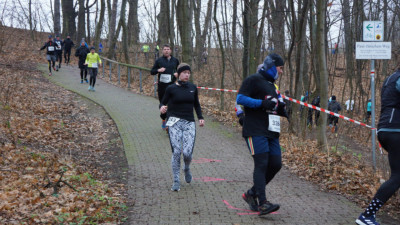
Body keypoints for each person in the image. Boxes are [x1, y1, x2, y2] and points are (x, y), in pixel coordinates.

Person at [236, 53, 287, 215]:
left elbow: (272, 104)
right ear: (272, 67)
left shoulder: (272, 85)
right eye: (280, 68)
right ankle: (263, 203)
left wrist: (281, 109)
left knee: (276, 164)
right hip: (255, 128)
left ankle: (251, 193)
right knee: (262, 163)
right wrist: (261, 103)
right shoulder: (253, 79)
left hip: (271, 130)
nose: (282, 71)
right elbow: (240, 99)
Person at [355, 69, 400, 225]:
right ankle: (367, 215)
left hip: (386, 128)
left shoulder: (390, 78)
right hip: (395, 129)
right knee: (397, 176)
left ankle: (368, 215)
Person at [159, 63, 204, 191]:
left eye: (188, 73)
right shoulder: (171, 88)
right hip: (174, 123)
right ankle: (176, 180)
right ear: (179, 74)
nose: (187, 75)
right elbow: (163, 102)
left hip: (189, 122)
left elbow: (197, 104)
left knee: (187, 153)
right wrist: (162, 108)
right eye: (184, 72)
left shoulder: (193, 88)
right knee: (177, 151)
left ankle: (187, 168)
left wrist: (200, 117)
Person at [151, 44, 180, 130]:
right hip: (162, 87)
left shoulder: (175, 60)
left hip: (172, 85)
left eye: (168, 49)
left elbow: (179, 70)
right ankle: (163, 118)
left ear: (170, 51)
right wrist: (158, 70)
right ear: (162, 51)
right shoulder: (159, 60)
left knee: (171, 104)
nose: (166, 51)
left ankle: (169, 122)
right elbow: (152, 71)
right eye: (164, 49)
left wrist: (177, 74)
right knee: (162, 104)